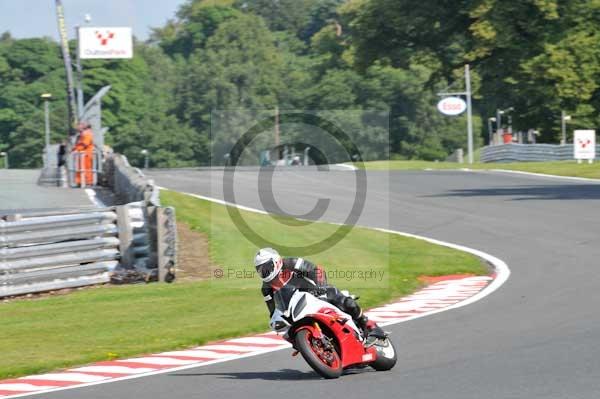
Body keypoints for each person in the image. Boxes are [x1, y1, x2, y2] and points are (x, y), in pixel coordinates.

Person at [255, 247, 385, 338]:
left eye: (266, 268)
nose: (264, 272)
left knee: (345, 302)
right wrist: (276, 321)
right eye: (260, 270)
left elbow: (315, 270)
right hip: (295, 309)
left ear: (276, 262)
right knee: (290, 334)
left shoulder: (292, 263)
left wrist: (320, 287)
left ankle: (367, 323)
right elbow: (272, 311)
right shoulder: (266, 288)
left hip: (315, 293)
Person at [72, 122, 95, 186]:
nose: (77, 127)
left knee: (86, 169)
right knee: (80, 168)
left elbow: (85, 144)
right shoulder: (82, 134)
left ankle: (88, 182)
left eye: (79, 126)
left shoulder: (87, 134)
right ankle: (79, 181)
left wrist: (76, 149)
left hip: (86, 154)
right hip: (82, 155)